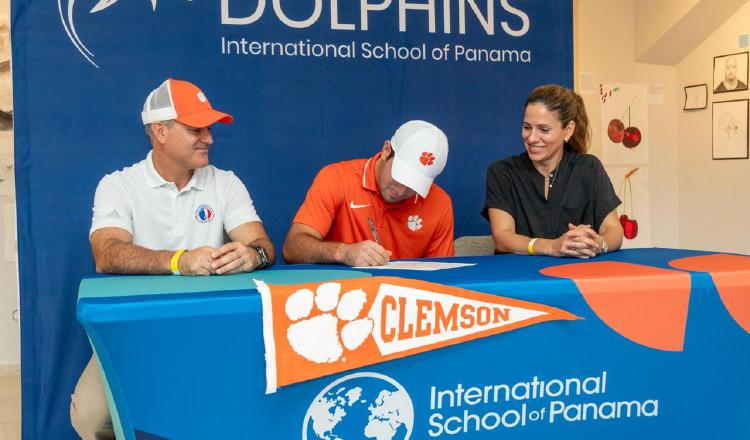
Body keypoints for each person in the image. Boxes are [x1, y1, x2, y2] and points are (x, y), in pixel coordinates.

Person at [70, 78, 275, 440]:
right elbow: (107, 253)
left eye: (209, 128)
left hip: (213, 330)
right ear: (160, 131)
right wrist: (179, 260)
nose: (208, 137)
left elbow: (262, 244)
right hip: (134, 330)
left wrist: (252, 255)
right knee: (91, 417)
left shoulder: (225, 183)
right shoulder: (119, 185)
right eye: (196, 128)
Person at [283, 120, 454, 266]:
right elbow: (292, 247)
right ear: (386, 150)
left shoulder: (439, 202)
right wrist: (343, 252)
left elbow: (444, 278)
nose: (401, 191)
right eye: (399, 177)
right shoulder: (336, 178)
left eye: (413, 186)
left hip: (402, 302)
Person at [483, 84, 623, 258]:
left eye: (544, 129)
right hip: (519, 279)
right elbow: (502, 238)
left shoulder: (589, 168)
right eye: (527, 127)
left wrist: (598, 243)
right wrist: (551, 246)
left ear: (568, 130)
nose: (532, 138)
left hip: (576, 279)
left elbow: (614, 230)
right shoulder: (502, 172)